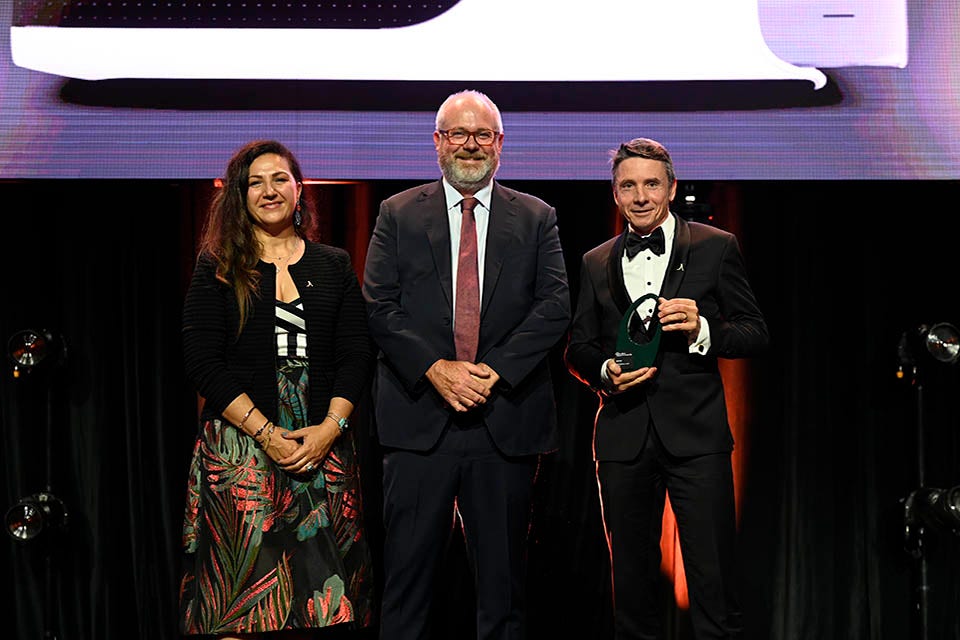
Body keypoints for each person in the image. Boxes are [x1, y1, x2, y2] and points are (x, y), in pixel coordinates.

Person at [361, 89, 571, 640]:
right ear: (438, 142)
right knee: (405, 593)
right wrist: (436, 369)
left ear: (500, 145)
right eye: (459, 133)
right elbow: (379, 306)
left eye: (483, 135)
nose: (470, 144)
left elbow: (554, 307)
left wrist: (490, 373)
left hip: (503, 423)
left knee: (503, 598)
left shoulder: (536, 217)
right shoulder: (398, 213)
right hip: (418, 423)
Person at [564, 138, 769, 639]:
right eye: (628, 185)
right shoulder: (594, 261)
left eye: (651, 184)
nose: (640, 196)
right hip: (622, 438)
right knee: (631, 591)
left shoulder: (715, 247)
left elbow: (754, 332)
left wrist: (704, 329)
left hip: (696, 438)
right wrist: (605, 372)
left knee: (714, 584)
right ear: (614, 194)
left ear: (672, 188)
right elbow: (577, 347)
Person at [178, 139, 375, 638]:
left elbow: (356, 354)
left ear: (299, 188)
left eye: (279, 179)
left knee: (326, 607)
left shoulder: (333, 265)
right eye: (255, 182)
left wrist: (331, 429)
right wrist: (266, 433)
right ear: (239, 197)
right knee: (239, 613)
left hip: (321, 452)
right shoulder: (217, 266)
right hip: (242, 456)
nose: (269, 191)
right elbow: (202, 362)